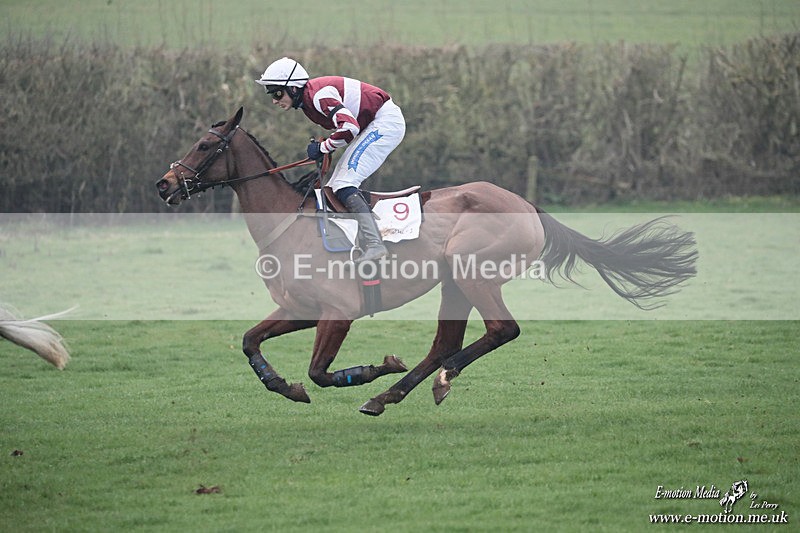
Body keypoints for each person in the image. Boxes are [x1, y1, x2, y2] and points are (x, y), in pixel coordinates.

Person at [255, 57, 406, 263]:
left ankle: (375, 244)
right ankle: (358, 239)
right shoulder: (309, 99)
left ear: (293, 88)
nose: (274, 100)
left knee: (344, 183)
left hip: (384, 122)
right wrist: (325, 147)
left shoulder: (318, 97)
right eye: (271, 94)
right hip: (372, 123)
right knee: (335, 185)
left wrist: (323, 147)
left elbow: (350, 128)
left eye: (277, 92)